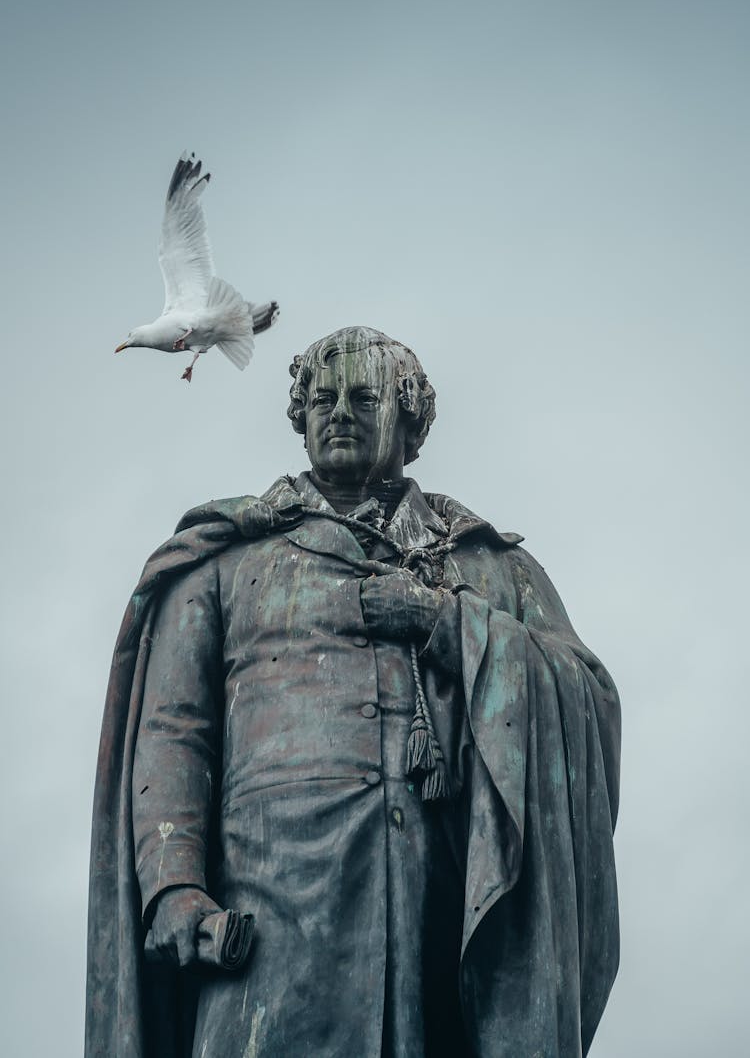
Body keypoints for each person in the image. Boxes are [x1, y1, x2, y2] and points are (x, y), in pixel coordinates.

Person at [86, 326, 620, 1058]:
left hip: (441, 933)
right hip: (269, 936)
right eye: (321, 397)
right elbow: (175, 730)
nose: (337, 411)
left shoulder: (492, 565)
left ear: (410, 418)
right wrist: (174, 884)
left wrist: (447, 622)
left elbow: (588, 700)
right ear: (299, 415)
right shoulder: (227, 560)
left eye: (364, 396)